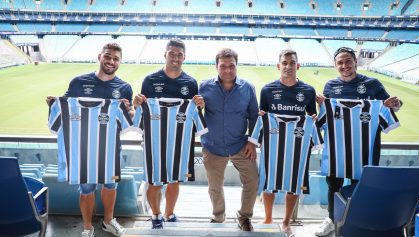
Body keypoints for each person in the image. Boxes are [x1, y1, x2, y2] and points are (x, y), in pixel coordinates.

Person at [314, 46, 402, 237]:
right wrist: (321, 105)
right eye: (340, 62)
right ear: (335, 65)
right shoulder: (330, 86)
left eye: (348, 61)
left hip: (365, 150)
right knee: (334, 185)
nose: (344, 66)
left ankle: (356, 222)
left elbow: (390, 106)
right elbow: (324, 116)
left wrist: (396, 104)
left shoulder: (373, 84)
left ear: (355, 62)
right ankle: (332, 219)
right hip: (337, 150)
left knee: (360, 186)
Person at [46, 43, 132, 237]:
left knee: (111, 185)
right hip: (82, 148)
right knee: (86, 188)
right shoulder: (78, 82)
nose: (111, 61)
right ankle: (87, 227)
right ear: (100, 56)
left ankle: (108, 221)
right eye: (108, 57)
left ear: (120, 62)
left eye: (115, 58)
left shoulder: (124, 87)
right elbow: (65, 105)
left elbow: (128, 119)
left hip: (110, 147)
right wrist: (54, 104)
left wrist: (130, 109)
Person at [133, 39, 204, 229]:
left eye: (179, 55)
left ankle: (169, 213)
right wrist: (137, 102)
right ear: (164, 54)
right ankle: (156, 215)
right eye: (171, 53)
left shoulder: (190, 83)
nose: (175, 58)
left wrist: (199, 105)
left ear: (184, 57)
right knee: (154, 181)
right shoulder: (150, 80)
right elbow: (142, 110)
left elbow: (196, 113)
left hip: (179, 142)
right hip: (153, 141)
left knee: (174, 181)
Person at [199, 48, 259, 232]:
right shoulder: (204, 86)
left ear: (236, 65)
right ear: (216, 66)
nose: (227, 70)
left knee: (252, 181)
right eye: (223, 66)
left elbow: (254, 117)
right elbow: (193, 114)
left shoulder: (248, 88)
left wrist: (252, 141)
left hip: (241, 145)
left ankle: (244, 216)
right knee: (214, 186)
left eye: (231, 66)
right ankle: (218, 215)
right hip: (213, 146)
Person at [258, 49, 317, 236]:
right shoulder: (267, 90)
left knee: (295, 182)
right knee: (269, 181)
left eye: (292, 63)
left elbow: (311, 116)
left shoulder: (308, 91)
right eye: (285, 63)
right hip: (273, 144)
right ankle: (268, 218)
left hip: (298, 146)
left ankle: (286, 222)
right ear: (278, 66)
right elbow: (262, 117)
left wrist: (314, 118)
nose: (288, 66)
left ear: (298, 66)